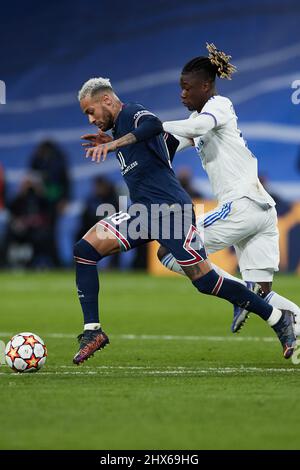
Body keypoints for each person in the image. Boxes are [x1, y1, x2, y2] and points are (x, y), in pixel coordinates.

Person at [75, 77, 295, 365]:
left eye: (91, 111)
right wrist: (115, 140)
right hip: (143, 213)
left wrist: (116, 142)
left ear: (106, 100)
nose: (90, 119)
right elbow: (160, 143)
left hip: (171, 213)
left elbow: (153, 124)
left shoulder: (132, 113)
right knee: (85, 250)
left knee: (205, 282)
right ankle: (93, 331)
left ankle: (278, 318)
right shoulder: (120, 129)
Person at [158, 43, 300, 334]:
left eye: (187, 87)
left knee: (168, 251)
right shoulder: (196, 120)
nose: (182, 93)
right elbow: (170, 142)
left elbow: (195, 129)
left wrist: (151, 123)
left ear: (207, 86)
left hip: (242, 205)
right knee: (264, 298)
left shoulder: (218, 106)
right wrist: (124, 141)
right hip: (262, 211)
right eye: (181, 88)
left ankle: (238, 296)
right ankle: (282, 318)